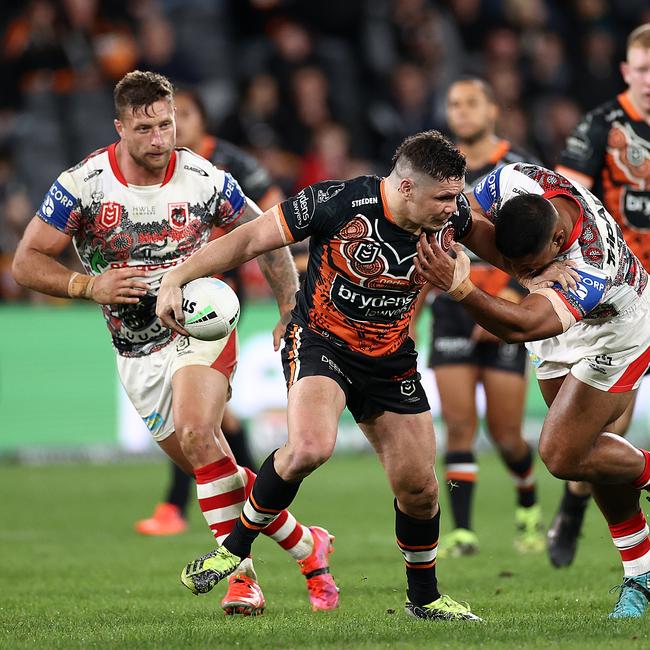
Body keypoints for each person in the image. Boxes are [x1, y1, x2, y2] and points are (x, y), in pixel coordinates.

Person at [11, 70, 339, 616]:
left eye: (168, 124)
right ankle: (308, 544)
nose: (162, 139)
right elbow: (27, 261)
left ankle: (241, 579)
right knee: (213, 468)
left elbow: (267, 236)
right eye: (146, 129)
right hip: (135, 350)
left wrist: (289, 307)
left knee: (197, 430)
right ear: (120, 127)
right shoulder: (85, 183)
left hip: (200, 326)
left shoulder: (203, 177)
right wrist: (87, 285)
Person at [154, 130, 513, 622]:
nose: (454, 208)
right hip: (322, 343)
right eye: (444, 197)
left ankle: (424, 599)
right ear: (405, 187)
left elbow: (502, 250)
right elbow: (251, 238)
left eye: (457, 196)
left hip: (390, 359)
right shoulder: (337, 201)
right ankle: (233, 549)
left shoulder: (453, 219)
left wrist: (543, 276)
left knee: (421, 488)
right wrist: (177, 276)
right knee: (309, 448)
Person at [415, 161, 650, 619]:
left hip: (616, 332)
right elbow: (465, 215)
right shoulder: (514, 180)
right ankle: (642, 575)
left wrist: (460, 288)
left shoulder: (589, 263)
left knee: (563, 455)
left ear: (559, 242)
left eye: (531, 266)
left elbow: (522, 325)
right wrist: (524, 272)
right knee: (586, 455)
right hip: (558, 327)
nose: (522, 275)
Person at [134, 87, 285, 537]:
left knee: (197, 424)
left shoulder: (228, 166)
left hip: (213, 303)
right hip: (159, 308)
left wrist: (282, 280)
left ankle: (176, 507)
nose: (172, 125)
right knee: (211, 424)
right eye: (164, 118)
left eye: (181, 115)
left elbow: (273, 217)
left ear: (200, 118)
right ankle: (266, 500)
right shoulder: (145, 171)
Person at [421, 77, 543, 558]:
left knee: (507, 434)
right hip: (451, 309)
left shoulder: (519, 165)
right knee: (458, 425)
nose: (462, 112)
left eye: (472, 103)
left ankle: (528, 503)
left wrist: (507, 298)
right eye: (454, 104)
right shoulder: (439, 169)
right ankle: (464, 532)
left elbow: (542, 239)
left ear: (493, 110)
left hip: (505, 306)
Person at [547, 22, 650, 568]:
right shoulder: (602, 125)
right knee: (607, 432)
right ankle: (576, 505)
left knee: (593, 441)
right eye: (644, 69)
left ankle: (634, 561)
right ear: (626, 71)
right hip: (616, 293)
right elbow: (565, 199)